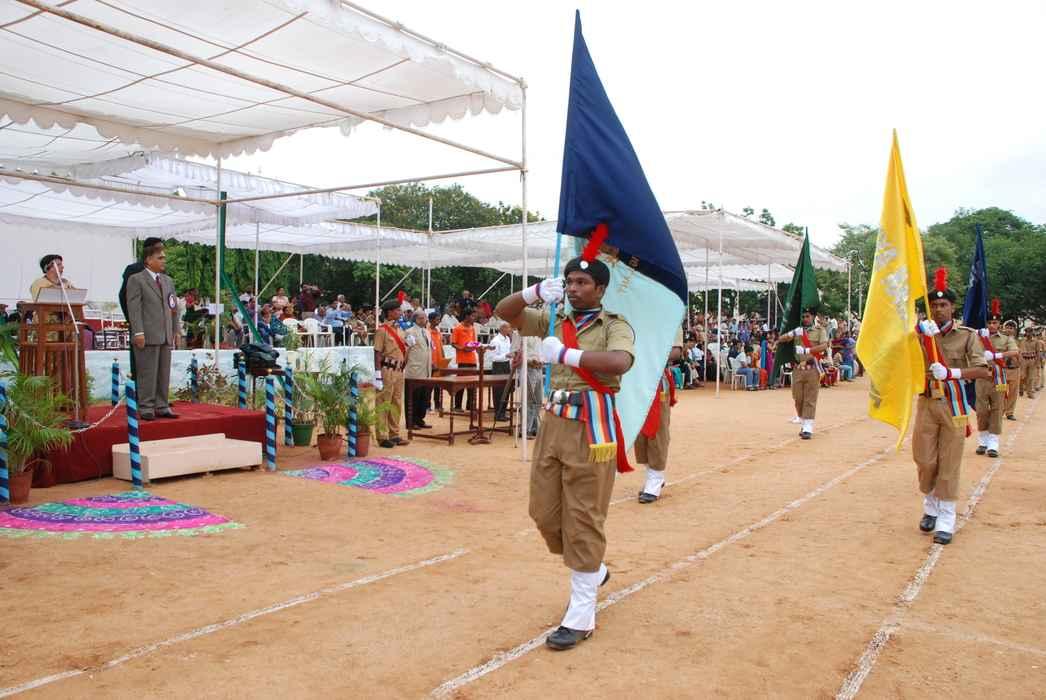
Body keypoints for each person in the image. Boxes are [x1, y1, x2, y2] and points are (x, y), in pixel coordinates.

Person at [494, 254, 635, 652]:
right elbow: (504, 312)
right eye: (569, 281)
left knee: (584, 516)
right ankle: (594, 568)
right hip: (554, 424)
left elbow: (619, 361)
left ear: (600, 289)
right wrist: (535, 291)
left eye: (582, 283)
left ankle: (581, 613)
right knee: (543, 511)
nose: (573, 288)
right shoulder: (554, 319)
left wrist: (567, 356)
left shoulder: (614, 325)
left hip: (591, 426)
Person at [913, 271, 990, 545]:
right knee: (925, 460)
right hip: (926, 402)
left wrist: (951, 373)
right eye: (934, 305)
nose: (938, 309)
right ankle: (931, 504)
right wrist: (919, 334)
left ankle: (944, 518)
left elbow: (983, 370)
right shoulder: (920, 335)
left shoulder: (966, 336)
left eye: (943, 305)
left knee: (949, 462)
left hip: (953, 405)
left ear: (952, 307)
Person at [125, 241, 181, 421]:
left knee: (163, 373)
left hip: (165, 334)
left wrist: (176, 330)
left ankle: (162, 405)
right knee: (147, 373)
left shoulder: (167, 280)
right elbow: (134, 308)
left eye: (164, 257)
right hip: (147, 334)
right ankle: (146, 407)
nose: (164, 260)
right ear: (149, 260)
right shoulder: (136, 279)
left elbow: (173, 307)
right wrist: (138, 332)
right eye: (160, 258)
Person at [635, 328, 683, 503]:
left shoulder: (669, 318)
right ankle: (653, 475)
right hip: (636, 381)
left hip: (657, 381)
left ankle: (655, 479)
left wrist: (647, 354)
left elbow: (676, 351)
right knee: (639, 433)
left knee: (657, 431)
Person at [974, 302, 1020, 458]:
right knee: (981, 410)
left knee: (997, 409)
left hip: (998, 378)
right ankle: (983, 439)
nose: (992, 325)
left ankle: (993, 443)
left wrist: (997, 355)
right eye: (989, 322)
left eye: (995, 322)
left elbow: (1015, 351)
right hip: (981, 377)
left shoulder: (1006, 339)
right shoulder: (979, 337)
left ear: (999, 324)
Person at [778, 307, 830, 439]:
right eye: (803, 316)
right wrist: (792, 333)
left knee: (810, 398)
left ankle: (808, 427)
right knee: (798, 398)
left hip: (812, 368)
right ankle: (803, 419)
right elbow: (781, 339)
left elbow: (824, 346)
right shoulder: (798, 330)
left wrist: (808, 351)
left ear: (813, 317)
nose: (805, 319)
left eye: (807, 316)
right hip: (798, 368)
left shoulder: (819, 330)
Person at [373, 299, 408, 448]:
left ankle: (394, 434)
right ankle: (382, 436)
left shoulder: (400, 329)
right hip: (387, 369)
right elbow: (377, 353)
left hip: (399, 369)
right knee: (383, 402)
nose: (400, 312)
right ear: (390, 312)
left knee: (396, 402)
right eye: (397, 310)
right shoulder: (382, 330)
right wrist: (377, 374)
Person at [404, 310, 433, 430]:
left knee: (423, 397)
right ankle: (411, 422)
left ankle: (420, 419)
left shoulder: (427, 332)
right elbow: (406, 350)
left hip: (426, 369)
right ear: (415, 319)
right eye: (421, 318)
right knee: (413, 397)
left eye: (425, 318)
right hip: (414, 369)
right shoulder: (410, 332)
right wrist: (405, 365)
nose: (423, 320)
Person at [451, 308, 479, 411]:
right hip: (462, 360)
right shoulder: (457, 328)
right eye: (472, 316)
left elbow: (474, 342)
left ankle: (470, 405)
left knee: (472, 383)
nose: (474, 318)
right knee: (461, 384)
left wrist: (475, 346)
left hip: (472, 359)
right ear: (467, 316)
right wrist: (463, 348)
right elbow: (453, 343)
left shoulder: (472, 328)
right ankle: (458, 406)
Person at [487, 321, 514, 421]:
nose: (510, 330)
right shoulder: (495, 340)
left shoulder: (507, 339)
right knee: (499, 390)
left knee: (506, 390)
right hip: (498, 367)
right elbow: (492, 357)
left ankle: (503, 412)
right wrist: (505, 355)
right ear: (502, 328)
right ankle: (498, 413)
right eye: (508, 328)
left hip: (506, 365)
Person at [427, 311, 448, 411]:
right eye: (437, 319)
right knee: (429, 385)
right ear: (431, 320)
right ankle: (427, 405)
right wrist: (430, 361)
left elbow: (440, 346)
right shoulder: (427, 332)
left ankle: (437, 404)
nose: (438, 321)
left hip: (439, 361)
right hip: (431, 362)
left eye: (439, 319)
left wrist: (443, 359)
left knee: (438, 385)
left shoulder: (438, 331)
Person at [1002, 320, 1021, 420]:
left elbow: (1021, 356)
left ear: (1015, 330)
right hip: (1003, 369)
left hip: (1014, 369)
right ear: (1003, 328)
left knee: (1013, 392)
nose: (1009, 330)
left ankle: (1010, 412)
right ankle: (1000, 411)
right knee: (1001, 392)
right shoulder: (1000, 340)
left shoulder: (1019, 342)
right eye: (1007, 327)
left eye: (1011, 328)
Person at [1019, 327, 1040, 400]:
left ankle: (1029, 393)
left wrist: (1037, 362)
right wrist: (1020, 360)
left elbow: (1038, 352)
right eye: (1027, 332)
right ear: (1025, 332)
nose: (1028, 333)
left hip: (1032, 361)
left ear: (1032, 332)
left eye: (1030, 332)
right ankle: (1021, 389)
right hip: (1023, 360)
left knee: (1030, 378)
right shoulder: (1022, 341)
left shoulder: (1036, 341)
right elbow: (1019, 351)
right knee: (1022, 376)